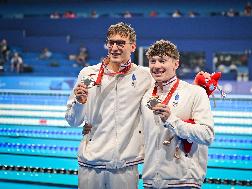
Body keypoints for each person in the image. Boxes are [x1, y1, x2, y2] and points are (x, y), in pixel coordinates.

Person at [65, 22, 152, 189]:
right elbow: (72, 121)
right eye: (111, 42)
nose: (114, 47)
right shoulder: (87, 73)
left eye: (120, 43)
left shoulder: (144, 76)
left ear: (133, 46)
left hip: (124, 165)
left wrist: (203, 89)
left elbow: (170, 93)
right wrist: (79, 103)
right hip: (90, 163)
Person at [141, 40, 214, 188]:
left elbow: (207, 135)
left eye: (162, 61)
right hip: (151, 181)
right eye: (152, 61)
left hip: (183, 181)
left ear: (176, 64)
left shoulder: (195, 92)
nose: (156, 66)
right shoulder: (146, 96)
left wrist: (172, 120)